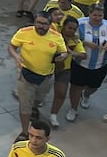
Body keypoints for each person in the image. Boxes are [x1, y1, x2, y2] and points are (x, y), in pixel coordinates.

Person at [8, 11, 67, 142]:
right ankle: (24, 132)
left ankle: (35, 107)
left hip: (46, 78)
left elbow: (63, 52)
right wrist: (16, 56)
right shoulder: (24, 32)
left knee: (39, 100)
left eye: (45, 24)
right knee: (25, 105)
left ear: (50, 24)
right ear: (34, 22)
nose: (41, 26)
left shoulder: (56, 36)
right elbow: (12, 46)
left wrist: (63, 56)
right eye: (38, 23)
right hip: (26, 75)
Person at [65, 2, 107, 122]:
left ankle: (87, 95)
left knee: (94, 86)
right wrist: (85, 43)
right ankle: (73, 109)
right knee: (76, 86)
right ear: (89, 13)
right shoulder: (80, 23)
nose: (98, 18)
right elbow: (71, 38)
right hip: (80, 63)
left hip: (101, 64)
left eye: (100, 15)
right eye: (95, 15)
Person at [48, 15, 85, 128]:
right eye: (70, 28)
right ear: (63, 26)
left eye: (74, 29)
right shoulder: (53, 33)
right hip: (47, 66)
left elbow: (83, 55)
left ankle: (53, 115)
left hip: (64, 69)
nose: (72, 31)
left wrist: (72, 52)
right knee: (39, 89)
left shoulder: (75, 40)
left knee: (61, 93)